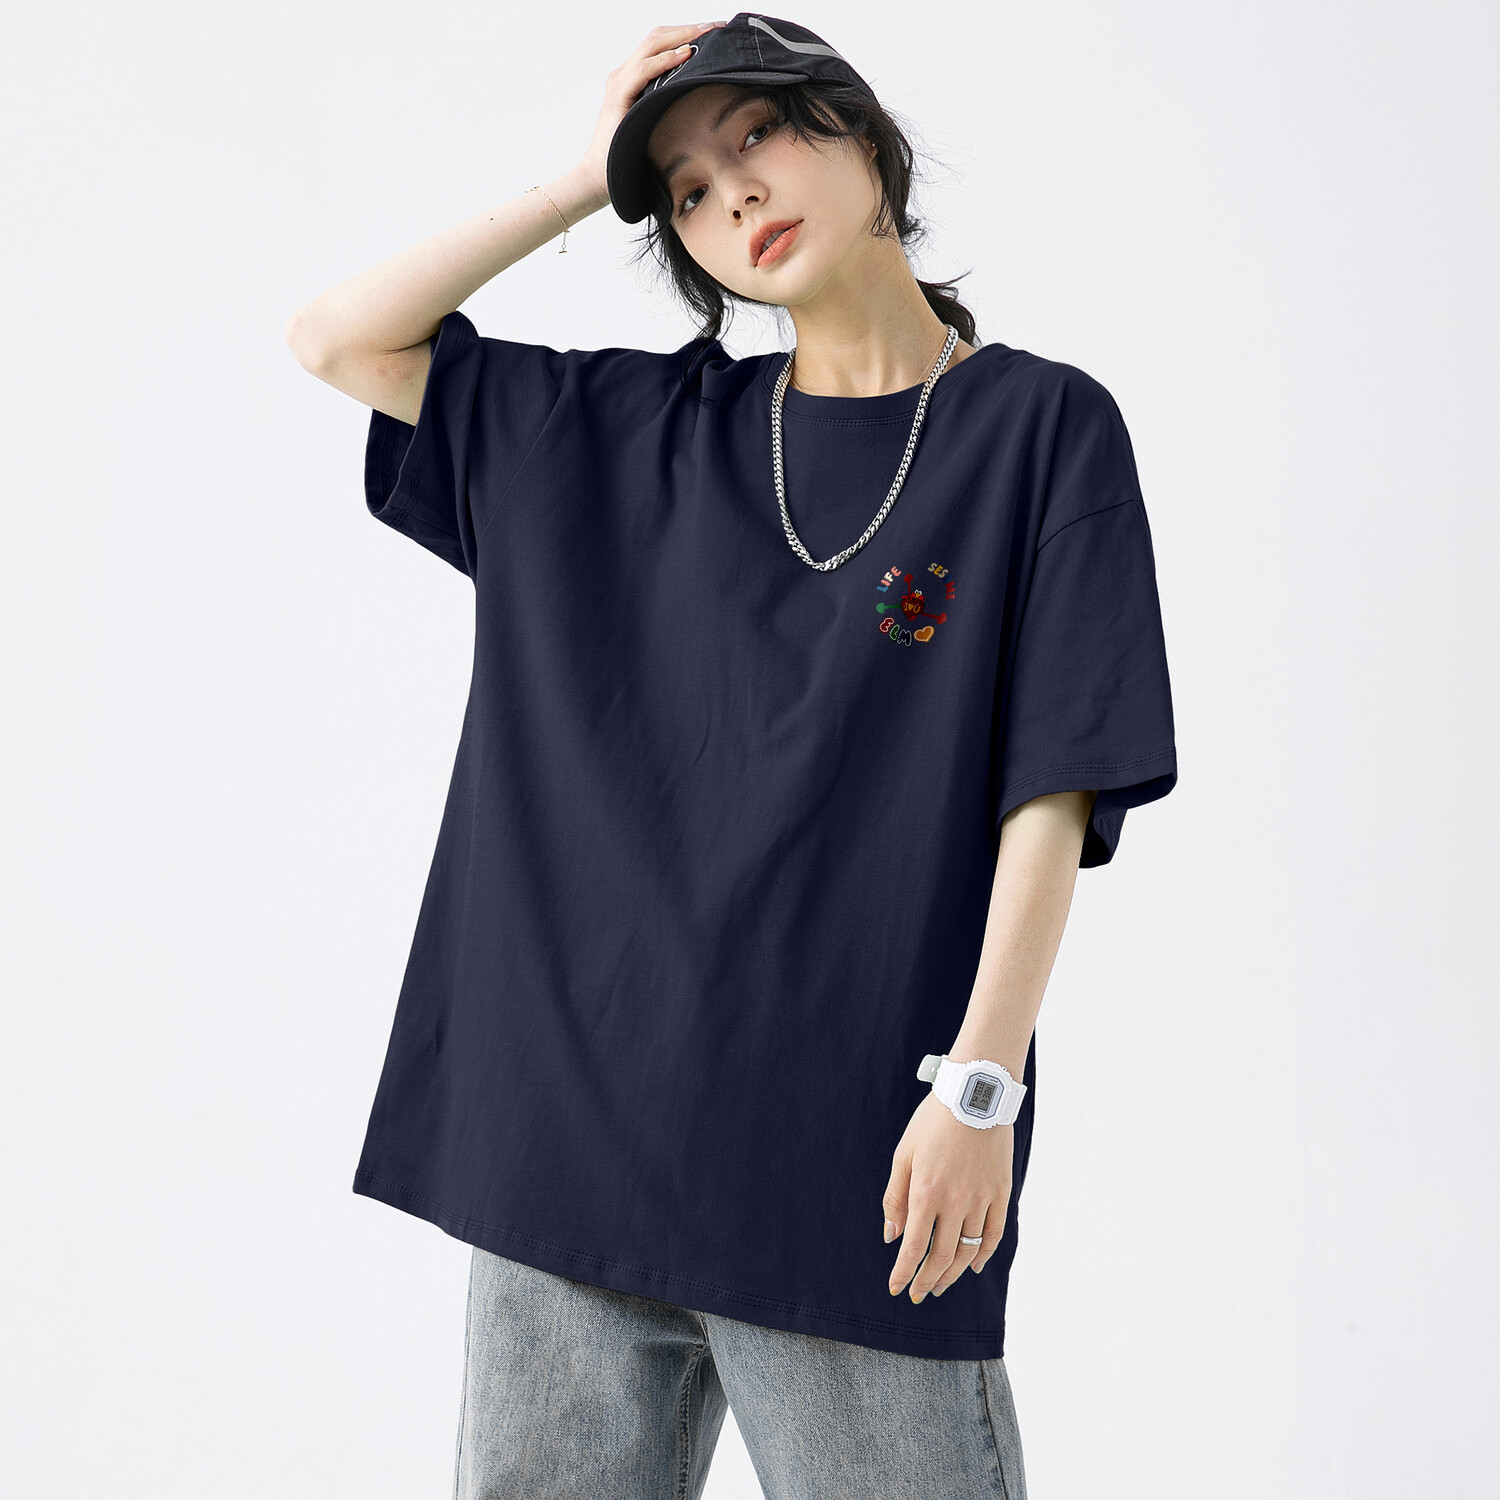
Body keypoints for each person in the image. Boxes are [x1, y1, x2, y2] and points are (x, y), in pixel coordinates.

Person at [285, 14, 1177, 1497]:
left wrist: (982, 1084)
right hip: (568, 1153)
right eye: (688, 191)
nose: (734, 194)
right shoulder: (624, 434)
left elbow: (1055, 781)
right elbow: (339, 339)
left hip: (850, 1160)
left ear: (863, 138)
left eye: (757, 133)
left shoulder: (1038, 430)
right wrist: (588, 178)